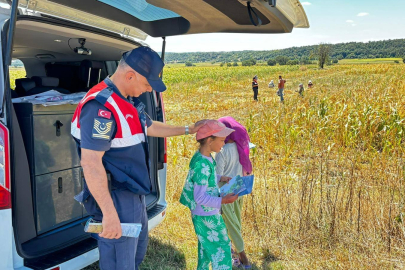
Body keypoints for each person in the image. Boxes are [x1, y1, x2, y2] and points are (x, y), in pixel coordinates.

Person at [71, 46, 204, 270]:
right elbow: (91, 163)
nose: (148, 89)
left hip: (134, 194)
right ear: (130, 75)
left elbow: (150, 126)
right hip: (116, 198)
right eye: (146, 84)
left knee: (135, 256)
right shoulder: (101, 106)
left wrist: (189, 129)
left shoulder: (126, 99)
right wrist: (109, 214)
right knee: (119, 264)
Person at [179, 120, 239, 270]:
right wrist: (223, 201)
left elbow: (206, 179)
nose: (224, 143)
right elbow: (200, 198)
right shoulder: (202, 165)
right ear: (209, 140)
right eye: (221, 140)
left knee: (205, 247)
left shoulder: (203, 157)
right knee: (222, 247)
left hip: (204, 213)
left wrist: (220, 178)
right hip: (207, 214)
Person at [215, 116, 253, 269]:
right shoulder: (242, 149)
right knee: (236, 222)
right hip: (239, 190)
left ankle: (243, 256)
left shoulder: (222, 152)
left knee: (229, 225)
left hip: (225, 193)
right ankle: (234, 254)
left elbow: (217, 176)